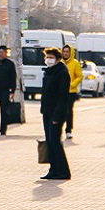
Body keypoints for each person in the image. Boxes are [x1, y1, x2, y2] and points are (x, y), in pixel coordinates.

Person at [40, 47, 71, 180]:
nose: (49, 60)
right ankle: (53, 169)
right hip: (47, 111)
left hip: (57, 113)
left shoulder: (62, 73)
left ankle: (63, 171)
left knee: (55, 141)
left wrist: (57, 116)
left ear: (58, 59)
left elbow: (63, 96)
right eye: (47, 57)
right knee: (50, 141)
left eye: (51, 57)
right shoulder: (48, 72)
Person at [62, 44, 82, 140]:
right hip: (60, 91)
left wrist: (73, 84)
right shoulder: (60, 62)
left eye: (67, 52)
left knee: (68, 111)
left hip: (71, 92)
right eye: (64, 51)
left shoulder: (75, 63)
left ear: (71, 53)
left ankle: (68, 130)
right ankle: (59, 129)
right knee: (60, 111)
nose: (65, 53)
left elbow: (79, 76)